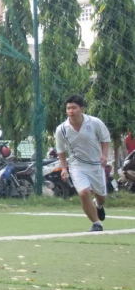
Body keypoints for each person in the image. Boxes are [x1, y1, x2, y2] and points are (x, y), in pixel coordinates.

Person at [54, 94, 110, 232]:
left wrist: (104, 155)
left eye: (74, 108)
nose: (71, 111)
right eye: (68, 108)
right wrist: (64, 168)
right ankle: (96, 223)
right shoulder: (62, 129)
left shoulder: (94, 122)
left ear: (82, 109)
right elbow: (61, 150)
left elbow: (105, 138)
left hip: (96, 165)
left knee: (101, 197)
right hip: (77, 166)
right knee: (84, 193)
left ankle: (99, 205)